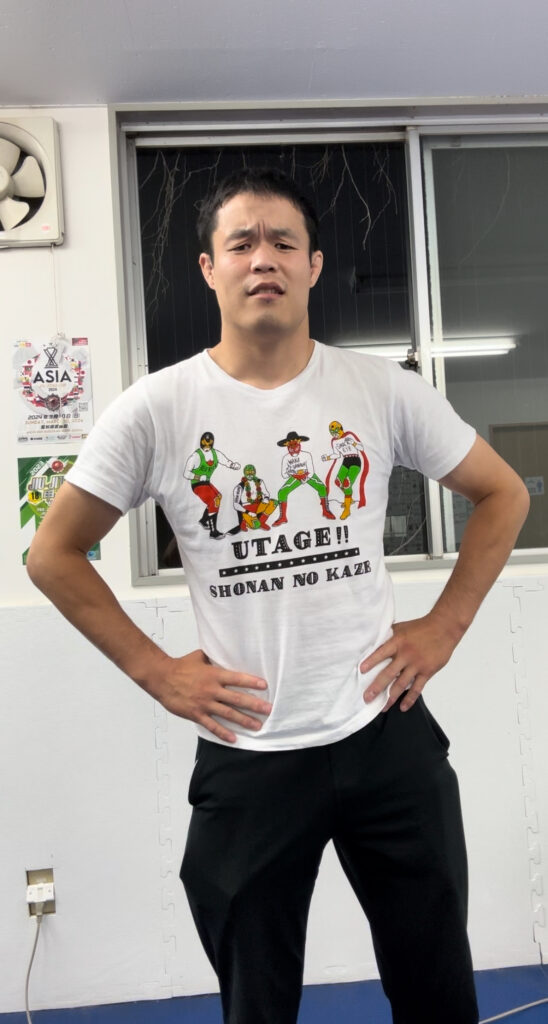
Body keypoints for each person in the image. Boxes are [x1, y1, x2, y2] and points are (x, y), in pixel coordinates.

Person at [26, 167, 530, 1024]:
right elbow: (52, 554)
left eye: (283, 242)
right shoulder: (156, 410)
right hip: (250, 748)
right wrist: (158, 672)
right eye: (241, 243)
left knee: (438, 986)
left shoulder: (380, 389)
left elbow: (504, 493)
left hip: (384, 730)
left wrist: (445, 626)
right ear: (208, 268)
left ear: (313, 265)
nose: (263, 258)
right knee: (256, 1005)